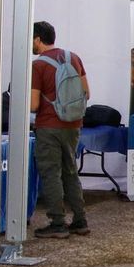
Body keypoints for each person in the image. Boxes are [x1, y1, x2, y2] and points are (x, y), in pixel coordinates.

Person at [31, 21, 91, 238]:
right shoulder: (73, 57)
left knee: (51, 173)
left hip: (49, 126)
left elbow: (33, 105)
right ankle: (80, 220)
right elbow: (87, 93)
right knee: (70, 171)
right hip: (73, 125)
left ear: (38, 39)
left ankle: (57, 223)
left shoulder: (38, 65)